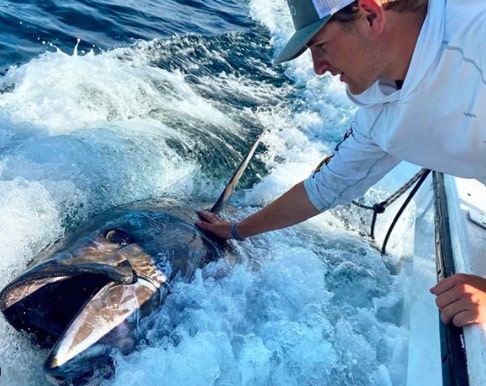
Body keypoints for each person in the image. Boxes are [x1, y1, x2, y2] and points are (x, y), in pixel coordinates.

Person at [196, 0, 486, 327]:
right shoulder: (378, 112)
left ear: (371, 15)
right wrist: (236, 230)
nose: (318, 67)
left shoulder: (477, 35)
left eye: (320, 46)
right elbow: (324, 188)